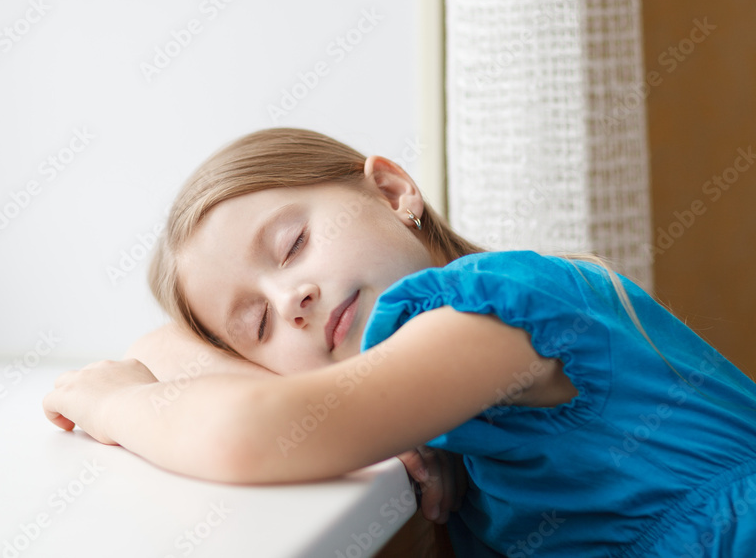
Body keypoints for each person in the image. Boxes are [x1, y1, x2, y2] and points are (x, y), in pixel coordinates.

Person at [43, 127, 756, 556]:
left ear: (391, 191)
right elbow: (164, 342)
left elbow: (250, 435)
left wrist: (117, 403)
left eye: (291, 245)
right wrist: (370, 417)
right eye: (254, 325)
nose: (291, 299)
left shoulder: (502, 308)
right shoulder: (439, 398)